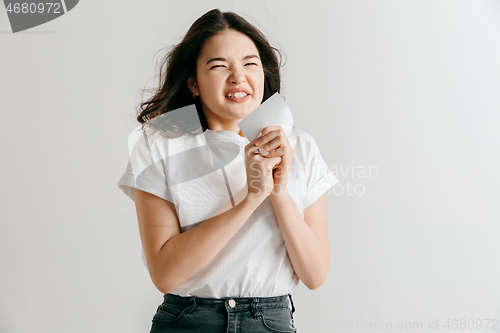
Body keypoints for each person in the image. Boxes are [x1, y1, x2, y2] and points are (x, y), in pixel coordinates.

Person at [117, 9, 339, 333]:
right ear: (193, 82)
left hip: (270, 322)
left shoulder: (300, 147)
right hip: (188, 321)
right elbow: (164, 274)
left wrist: (278, 191)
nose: (238, 77)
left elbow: (315, 275)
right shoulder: (159, 144)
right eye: (219, 66)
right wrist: (250, 198)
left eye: (249, 63)